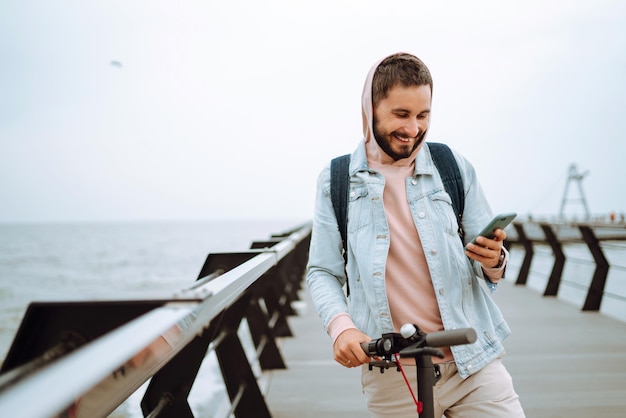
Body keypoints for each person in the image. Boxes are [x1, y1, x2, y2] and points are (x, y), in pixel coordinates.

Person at [306, 52, 525, 417]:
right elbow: (323, 271)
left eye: (423, 115)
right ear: (370, 107)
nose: (413, 129)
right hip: (393, 374)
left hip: (474, 362)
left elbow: (492, 260)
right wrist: (341, 327)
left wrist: (495, 261)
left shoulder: (452, 165)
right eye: (401, 115)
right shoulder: (336, 181)